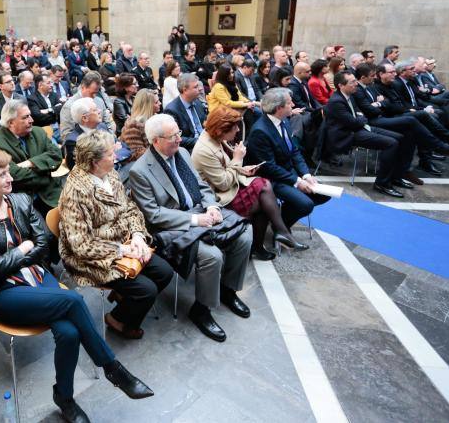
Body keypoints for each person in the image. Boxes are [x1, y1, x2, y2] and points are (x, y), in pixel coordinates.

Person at [0, 147, 152, 423]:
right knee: (74, 300)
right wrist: (22, 250)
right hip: (4, 292)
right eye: (1, 175)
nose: (9, 178)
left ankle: (65, 397)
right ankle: (113, 369)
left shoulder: (22, 201)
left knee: (69, 333)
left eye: (8, 171)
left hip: (38, 278)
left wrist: (10, 255)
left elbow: (43, 247)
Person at [128, 114, 253, 342]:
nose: (179, 139)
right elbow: (153, 215)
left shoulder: (182, 153)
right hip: (173, 226)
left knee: (245, 234)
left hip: (200, 211)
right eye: (173, 136)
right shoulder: (140, 171)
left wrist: (212, 206)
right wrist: (196, 220)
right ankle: (201, 309)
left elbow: (202, 185)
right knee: (212, 256)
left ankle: (228, 289)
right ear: (156, 141)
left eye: (179, 133)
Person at [59, 130, 174, 339]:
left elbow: (129, 207)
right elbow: (82, 246)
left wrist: (138, 236)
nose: (117, 156)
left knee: (165, 272)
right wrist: (122, 250)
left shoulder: (109, 174)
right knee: (146, 290)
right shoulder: (75, 193)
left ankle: (123, 299)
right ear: (94, 162)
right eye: (111, 154)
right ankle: (118, 320)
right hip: (93, 256)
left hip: (123, 240)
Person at [192, 105, 305, 260]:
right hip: (217, 197)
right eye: (235, 127)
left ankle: (268, 240)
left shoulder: (216, 137)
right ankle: (276, 235)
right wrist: (238, 160)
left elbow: (226, 169)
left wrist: (243, 169)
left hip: (229, 187)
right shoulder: (204, 149)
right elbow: (223, 183)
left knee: (263, 190)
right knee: (264, 192)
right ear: (221, 129)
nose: (238, 130)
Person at [244, 88, 329, 235]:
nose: (294, 104)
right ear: (279, 108)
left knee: (324, 194)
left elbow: (294, 151)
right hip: (271, 179)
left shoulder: (284, 121)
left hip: (288, 172)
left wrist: (306, 175)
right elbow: (269, 167)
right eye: (290, 103)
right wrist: (297, 181)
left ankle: (280, 221)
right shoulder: (260, 131)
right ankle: (281, 227)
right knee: (305, 204)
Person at [326, 72, 411, 198]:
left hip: (360, 128)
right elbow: (354, 122)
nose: (356, 84)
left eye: (355, 81)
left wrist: (361, 119)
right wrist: (361, 119)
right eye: (352, 82)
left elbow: (360, 115)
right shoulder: (336, 101)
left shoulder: (351, 95)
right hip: (347, 135)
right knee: (391, 144)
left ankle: (395, 176)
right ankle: (382, 183)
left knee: (400, 138)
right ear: (340, 85)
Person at [0, 99, 64, 215]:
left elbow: (57, 156)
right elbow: (14, 174)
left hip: (51, 194)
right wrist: (45, 175)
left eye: (30, 116)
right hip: (22, 201)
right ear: (11, 122)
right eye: (25, 117)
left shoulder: (38, 132)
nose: (31, 120)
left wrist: (30, 163)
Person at [60, 71, 113, 139]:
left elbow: (108, 125)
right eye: (92, 93)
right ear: (83, 87)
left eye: (96, 92)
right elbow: (66, 135)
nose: (94, 96)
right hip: (83, 145)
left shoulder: (99, 101)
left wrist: (112, 140)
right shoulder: (69, 106)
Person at [163, 73, 207, 152]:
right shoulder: (171, 110)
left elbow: (205, 122)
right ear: (185, 90)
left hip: (205, 142)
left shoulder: (197, 102)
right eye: (196, 87)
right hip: (190, 149)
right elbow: (176, 137)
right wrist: (201, 142)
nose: (200, 88)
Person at [120, 89, 161, 162]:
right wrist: (162, 150)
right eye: (156, 102)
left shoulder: (156, 117)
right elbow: (137, 153)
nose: (160, 103)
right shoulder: (133, 125)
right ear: (148, 106)